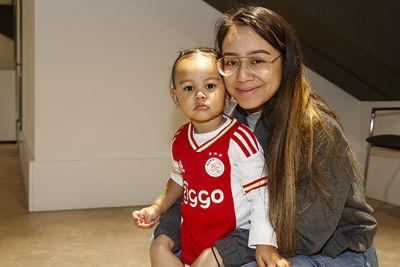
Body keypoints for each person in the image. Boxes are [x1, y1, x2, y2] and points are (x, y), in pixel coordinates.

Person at [153, 6, 378, 267]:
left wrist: (222, 252)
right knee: (167, 248)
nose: (243, 75)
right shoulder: (231, 122)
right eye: (232, 62)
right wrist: (164, 236)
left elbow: (308, 232)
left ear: (286, 61)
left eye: (258, 60)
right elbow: (193, 190)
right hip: (262, 234)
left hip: (335, 251)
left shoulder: (316, 128)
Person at [132, 47, 285, 266]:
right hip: (195, 229)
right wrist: (156, 206)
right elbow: (177, 179)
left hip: (236, 234)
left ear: (227, 92)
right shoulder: (180, 139)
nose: (200, 94)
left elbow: (261, 196)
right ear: (175, 97)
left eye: (210, 86)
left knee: (206, 261)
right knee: (158, 247)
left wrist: (265, 242)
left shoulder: (239, 140)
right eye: (189, 87)